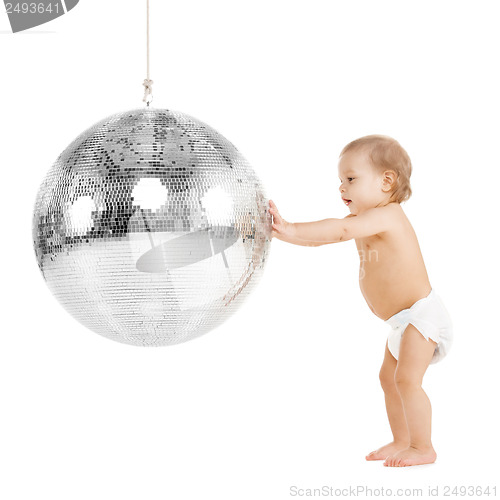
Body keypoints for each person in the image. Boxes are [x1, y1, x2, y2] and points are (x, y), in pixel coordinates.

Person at [268, 134, 453, 467]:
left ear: (386, 181)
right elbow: (325, 237)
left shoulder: (388, 215)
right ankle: (402, 439)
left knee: (407, 381)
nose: (342, 188)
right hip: (400, 322)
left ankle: (423, 447)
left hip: (421, 317)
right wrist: (289, 234)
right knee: (388, 379)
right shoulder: (363, 222)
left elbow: (337, 231)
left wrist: (292, 227)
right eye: (340, 181)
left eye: (351, 179)